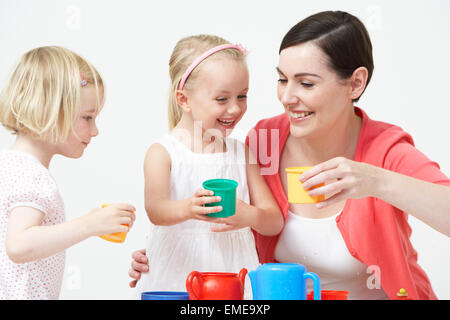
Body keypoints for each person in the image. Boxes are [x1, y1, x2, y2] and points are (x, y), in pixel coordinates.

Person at [129, 11, 450, 300]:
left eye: (306, 84)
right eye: (282, 79)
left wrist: (377, 181)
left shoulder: (384, 149)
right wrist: (166, 253)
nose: (286, 97)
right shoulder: (265, 141)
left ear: (355, 83)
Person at [135, 35, 283, 299]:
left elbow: (273, 221)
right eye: (221, 99)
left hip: (234, 272)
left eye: (242, 96)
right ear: (184, 99)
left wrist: (249, 215)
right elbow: (155, 210)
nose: (235, 108)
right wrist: (186, 208)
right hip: (178, 274)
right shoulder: (163, 153)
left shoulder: (241, 153)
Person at [0, 46, 136, 299]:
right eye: (87, 118)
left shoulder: (8, 166)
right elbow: (18, 246)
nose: (95, 131)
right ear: (48, 110)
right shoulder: (33, 176)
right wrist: (88, 225)